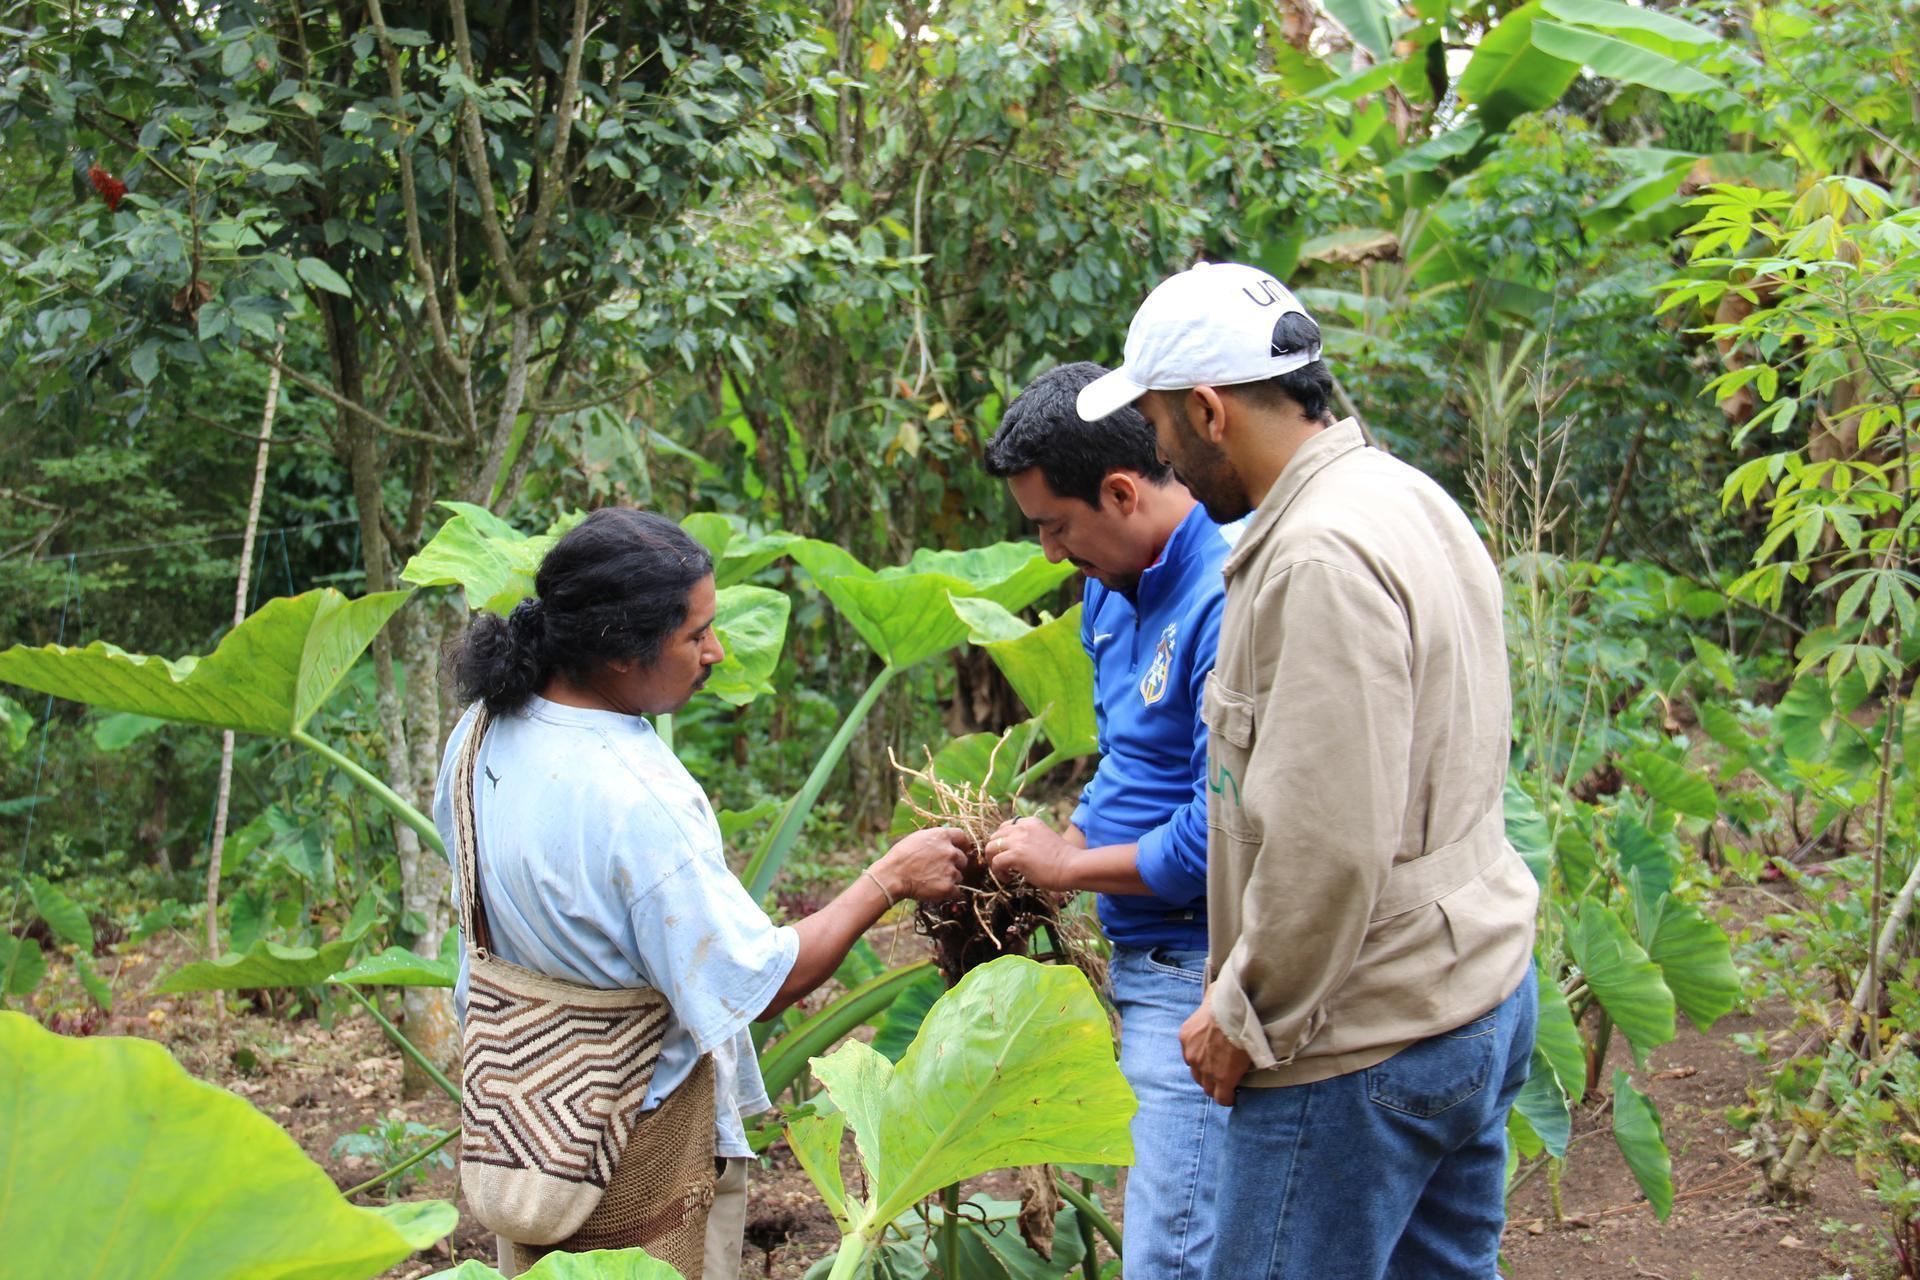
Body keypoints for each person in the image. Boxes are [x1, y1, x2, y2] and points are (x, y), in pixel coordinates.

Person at [1075, 262, 1540, 1280]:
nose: (1161, 456)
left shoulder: (1317, 557)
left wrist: (1245, 1012)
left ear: (1208, 409)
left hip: (1366, 1035)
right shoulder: (1405, 493)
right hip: (1478, 984)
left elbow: (1327, 844)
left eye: (1159, 425)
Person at [434, 508, 969, 1279]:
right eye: (695, 635)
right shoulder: (636, 797)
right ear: (621, 651)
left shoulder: (481, 731)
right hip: (634, 1137)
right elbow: (756, 982)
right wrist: (887, 880)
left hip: (524, 1126)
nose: (716, 651)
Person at [978, 361, 1232, 1280]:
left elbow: (1220, 838)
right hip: (1145, 962)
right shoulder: (1107, 580)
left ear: (1121, 491)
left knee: (1172, 1257)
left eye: (1055, 525)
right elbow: (1133, 753)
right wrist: (1075, 834)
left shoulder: (1229, 592)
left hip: (1200, 972)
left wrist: (1063, 869)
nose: (1049, 553)